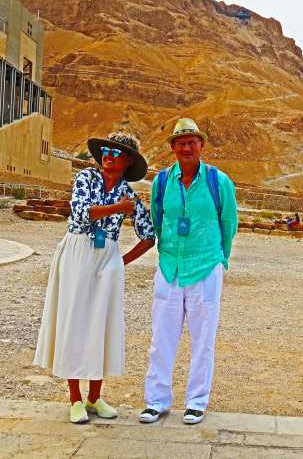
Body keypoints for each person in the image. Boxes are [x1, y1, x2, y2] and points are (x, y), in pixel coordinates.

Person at [33, 132, 156, 424]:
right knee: (74, 321)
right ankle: (74, 398)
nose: (108, 156)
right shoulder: (87, 178)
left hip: (107, 257)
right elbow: (80, 213)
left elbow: (149, 235)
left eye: (116, 153)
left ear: (128, 161)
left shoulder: (130, 194)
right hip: (78, 251)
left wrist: (120, 262)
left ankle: (95, 397)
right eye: (106, 151)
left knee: (101, 323)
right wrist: (118, 209)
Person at [139, 118, 238, 426]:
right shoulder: (162, 182)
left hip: (205, 267)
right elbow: (158, 218)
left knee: (203, 338)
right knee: (161, 338)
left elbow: (229, 224)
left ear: (201, 146)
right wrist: (165, 251)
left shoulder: (217, 181)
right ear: (172, 148)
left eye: (192, 142)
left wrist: (221, 258)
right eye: (180, 143)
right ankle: (156, 401)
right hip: (170, 268)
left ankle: (196, 401)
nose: (186, 147)